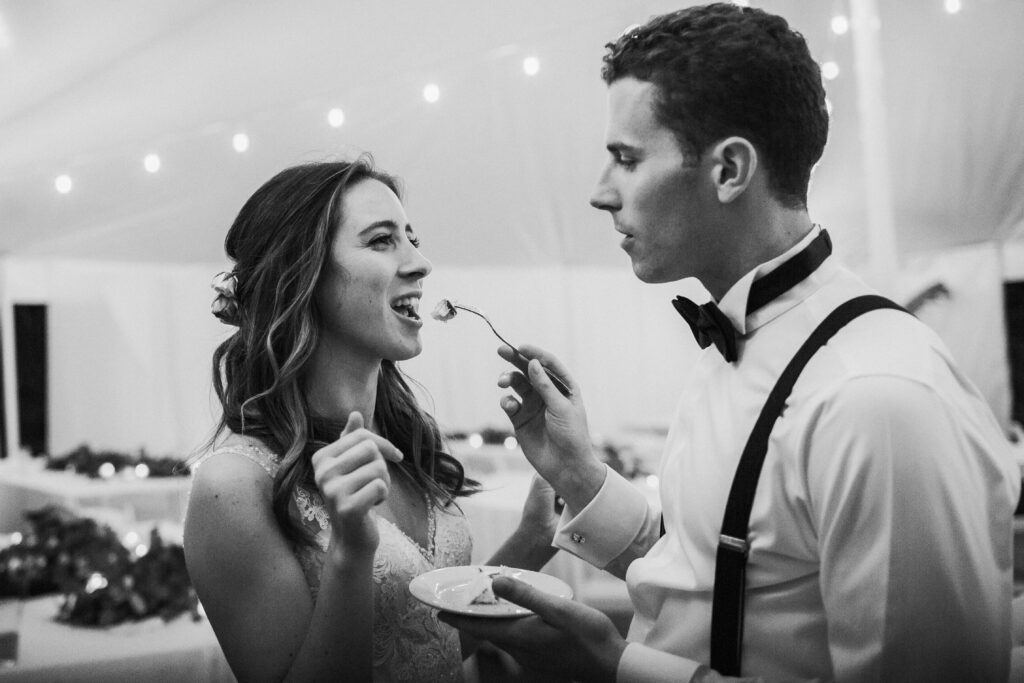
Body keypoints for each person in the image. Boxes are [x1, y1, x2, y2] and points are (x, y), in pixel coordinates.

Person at [440, 4, 1021, 682]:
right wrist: (580, 475)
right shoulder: (743, 340)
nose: (601, 194)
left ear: (729, 170)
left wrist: (613, 665)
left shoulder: (878, 400)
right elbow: (724, 573)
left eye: (626, 159)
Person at [183, 157, 559, 683]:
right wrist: (349, 555)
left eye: (411, 238)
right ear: (304, 275)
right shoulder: (232, 487)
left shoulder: (406, 441)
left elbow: (428, 643)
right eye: (382, 240)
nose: (421, 263)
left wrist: (535, 536)